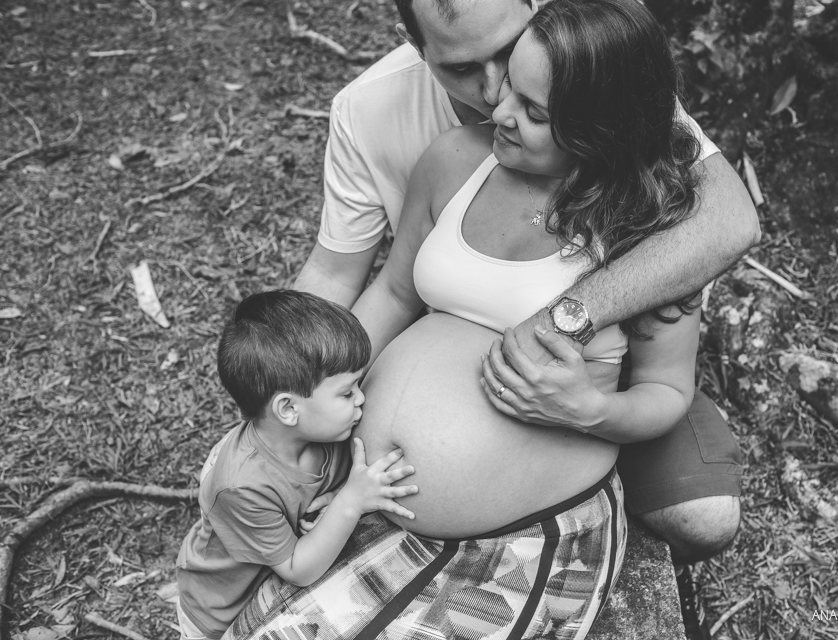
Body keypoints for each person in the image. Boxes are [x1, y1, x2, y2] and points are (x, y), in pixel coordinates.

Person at [225, 2, 717, 638]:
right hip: (367, 490)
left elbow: (667, 390)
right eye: (512, 87)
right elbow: (394, 292)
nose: (498, 109)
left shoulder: (652, 232)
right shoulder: (454, 159)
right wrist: (293, 392)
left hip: (519, 535)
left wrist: (589, 409)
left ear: (601, 126)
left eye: (533, 111)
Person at [176, 290, 418, 640]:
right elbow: (297, 569)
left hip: (271, 587)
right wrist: (350, 501)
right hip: (219, 613)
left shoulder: (322, 431)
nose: (361, 398)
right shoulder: (242, 486)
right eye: (347, 392)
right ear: (288, 409)